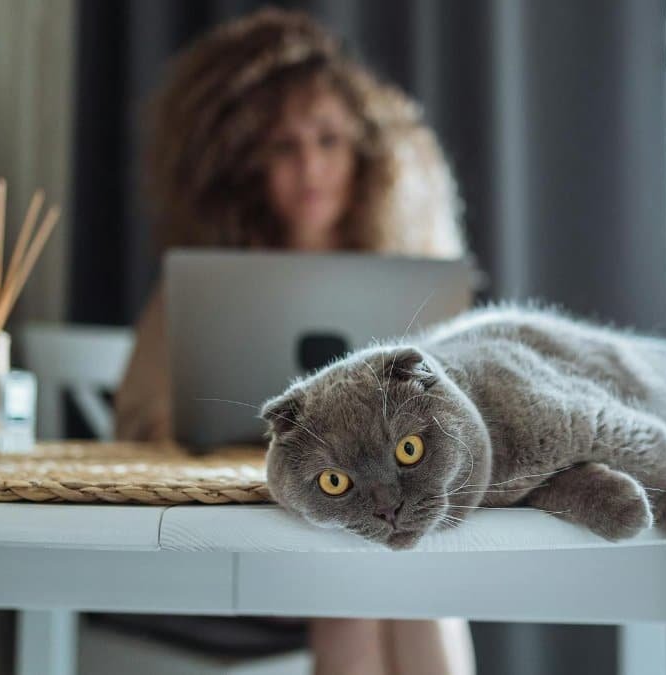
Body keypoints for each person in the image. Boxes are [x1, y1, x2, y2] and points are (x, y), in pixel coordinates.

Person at [113, 9, 475, 675]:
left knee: (400, 570)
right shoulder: (202, 287)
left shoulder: (414, 276)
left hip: (379, 533)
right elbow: (139, 415)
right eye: (284, 146)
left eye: (328, 140)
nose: (309, 165)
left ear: (365, 153)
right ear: (249, 163)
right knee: (361, 577)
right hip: (250, 536)